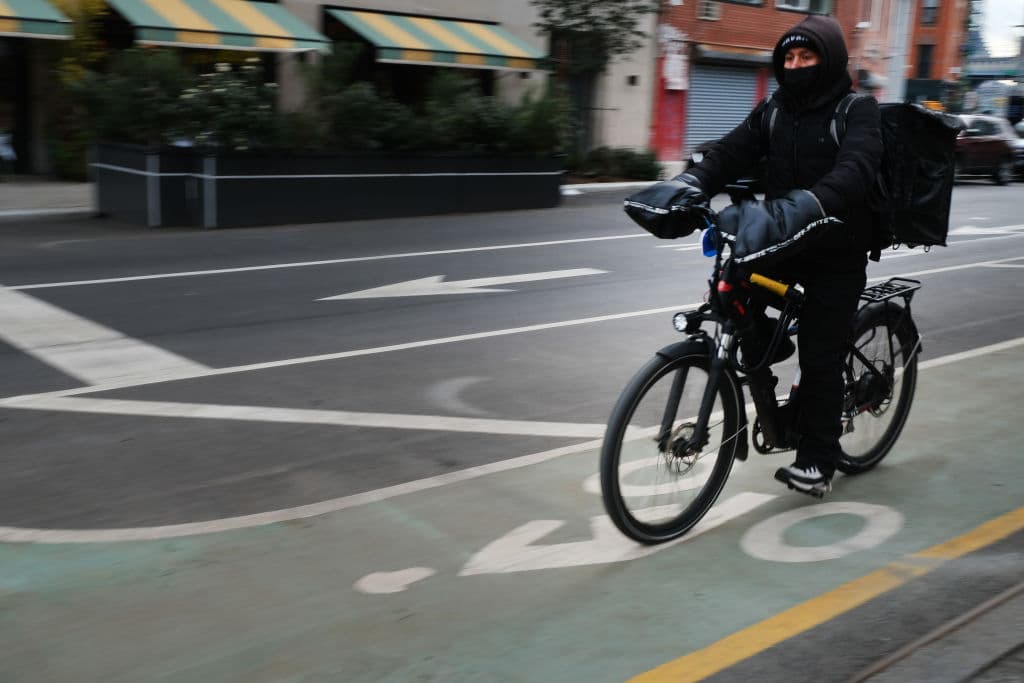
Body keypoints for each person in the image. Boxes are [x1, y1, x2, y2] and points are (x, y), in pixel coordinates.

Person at [625, 15, 883, 497]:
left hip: (837, 249)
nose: (796, 65)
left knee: (820, 354)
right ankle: (766, 341)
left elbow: (856, 170)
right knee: (732, 283)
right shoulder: (775, 109)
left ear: (829, 61)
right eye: (789, 57)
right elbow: (730, 153)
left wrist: (808, 204)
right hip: (785, 237)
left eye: (807, 56)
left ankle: (818, 461)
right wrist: (690, 184)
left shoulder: (857, 110)